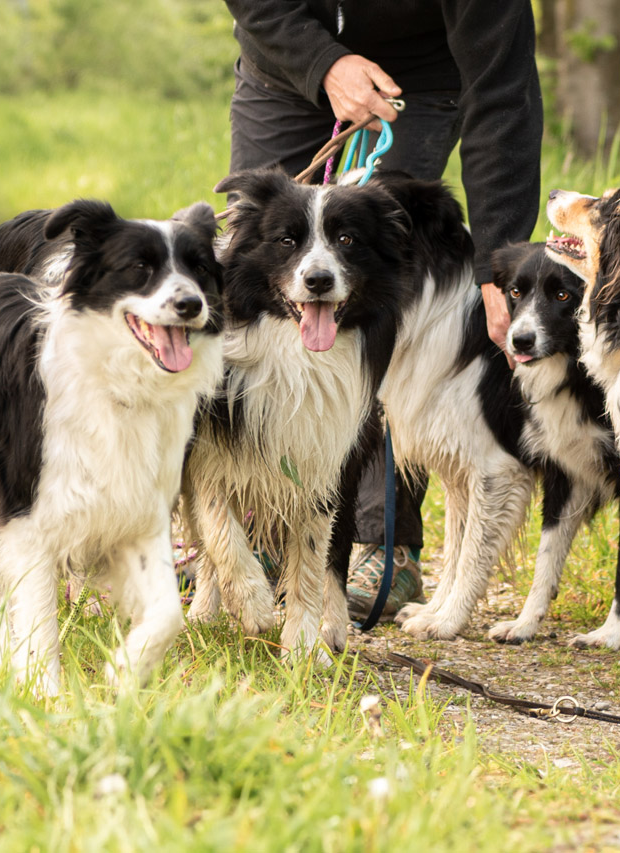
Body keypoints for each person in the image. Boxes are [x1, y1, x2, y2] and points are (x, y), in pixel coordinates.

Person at [223, 1, 544, 618]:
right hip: (285, 60)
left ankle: (379, 541)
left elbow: (503, 97)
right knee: (259, 282)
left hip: (416, 82)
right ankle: (254, 527)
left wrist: (498, 269)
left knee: (366, 286)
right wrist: (324, 63)